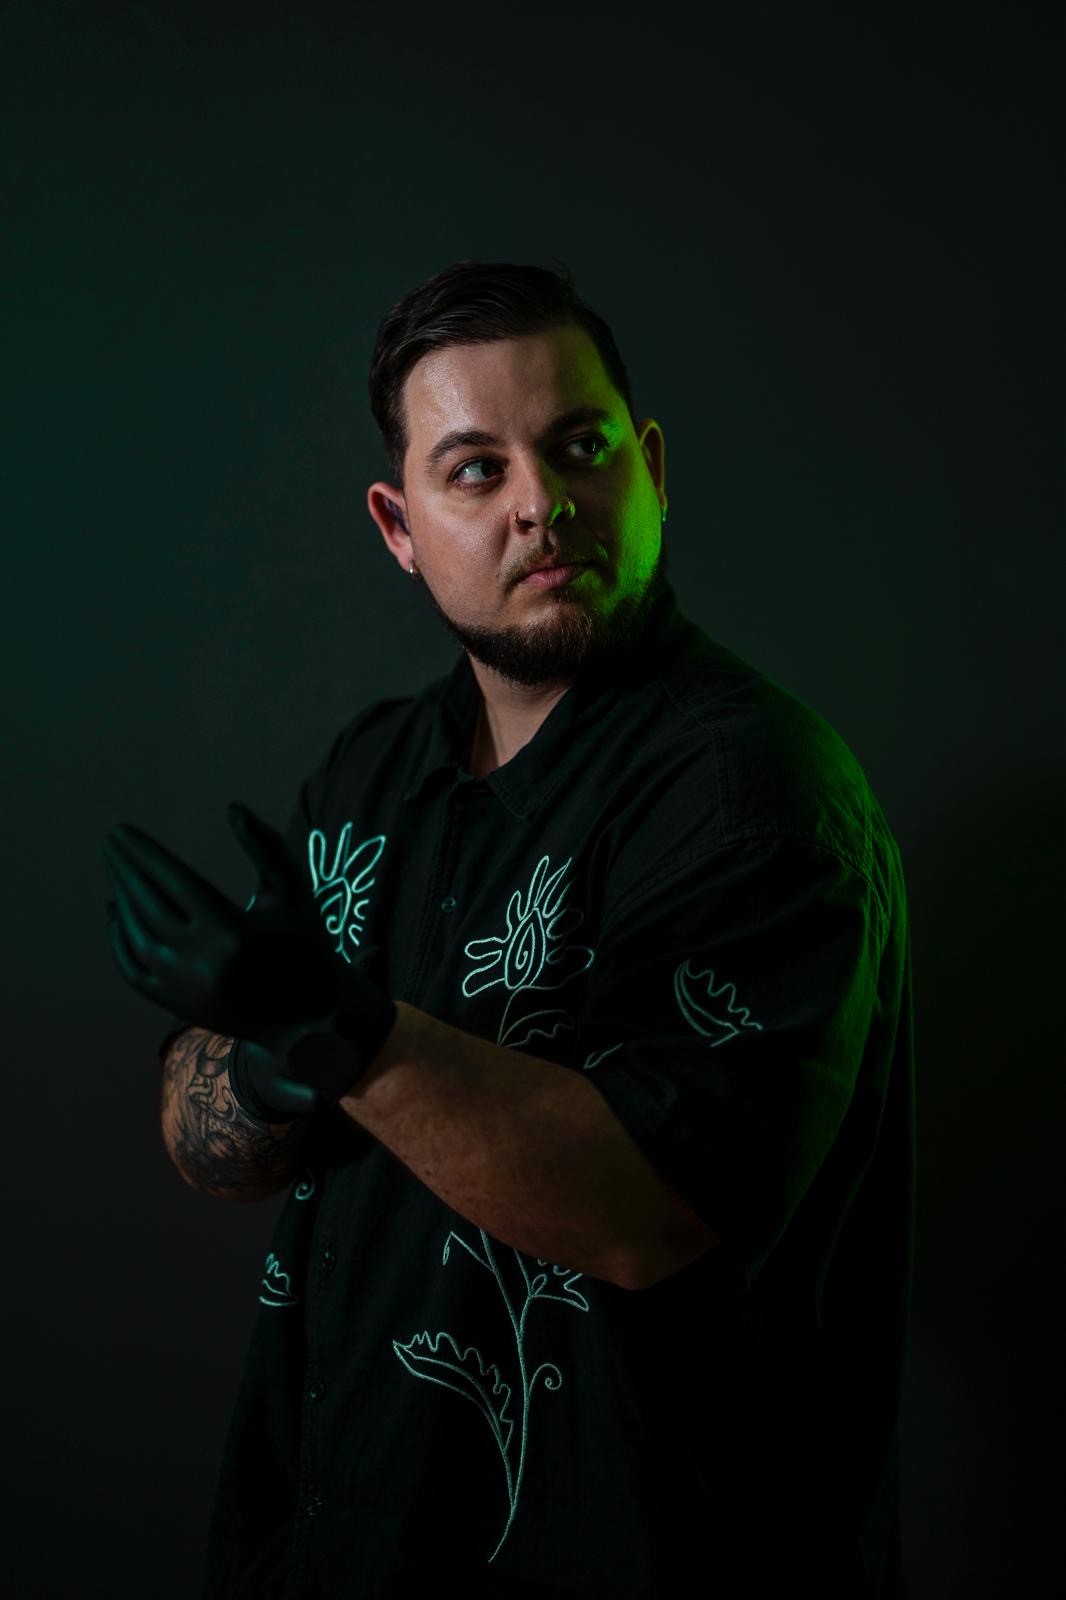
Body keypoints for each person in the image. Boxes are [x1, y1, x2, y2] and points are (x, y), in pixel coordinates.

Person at [104, 260, 916, 1598]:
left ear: (649, 466)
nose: (541, 503)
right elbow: (210, 1151)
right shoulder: (368, 773)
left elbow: (646, 1209)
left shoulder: (749, 788)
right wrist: (253, 1060)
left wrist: (341, 1030)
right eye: (474, 469)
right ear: (398, 523)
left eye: (579, 447)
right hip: (346, 1539)